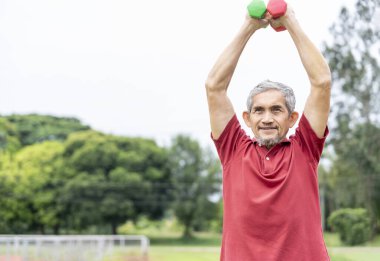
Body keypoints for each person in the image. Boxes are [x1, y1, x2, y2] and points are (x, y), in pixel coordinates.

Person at [205, 5, 332, 261]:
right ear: (247, 119)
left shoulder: (305, 148)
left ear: (292, 118)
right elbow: (214, 86)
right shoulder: (233, 149)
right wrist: (249, 27)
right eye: (259, 111)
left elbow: (322, 82)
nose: (266, 118)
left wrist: (290, 21)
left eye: (276, 110)